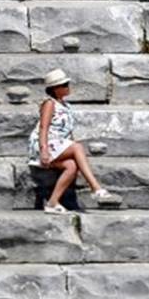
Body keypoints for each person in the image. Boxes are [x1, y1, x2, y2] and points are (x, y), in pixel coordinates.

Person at [28, 68, 121, 213]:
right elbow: (43, 127)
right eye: (64, 85)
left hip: (58, 144)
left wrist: (70, 144)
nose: (68, 87)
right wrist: (44, 149)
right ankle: (95, 188)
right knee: (78, 147)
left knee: (71, 166)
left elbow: (67, 131)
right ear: (55, 89)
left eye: (67, 84)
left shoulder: (67, 106)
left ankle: (52, 203)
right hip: (46, 144)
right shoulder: (49, 103)